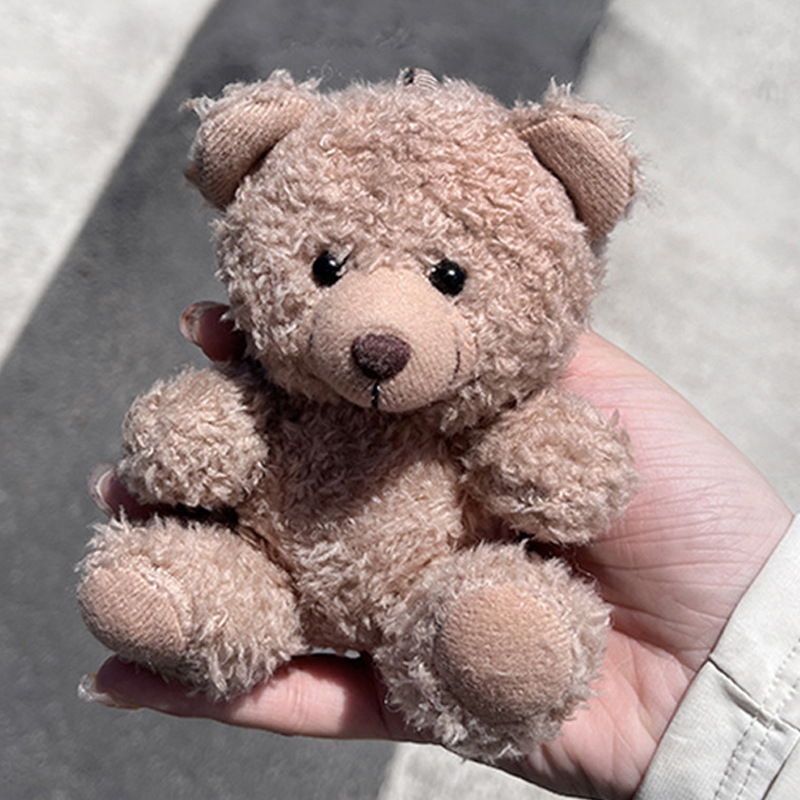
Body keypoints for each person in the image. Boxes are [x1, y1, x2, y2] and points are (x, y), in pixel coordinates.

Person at [82, 302, 798, 800]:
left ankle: (491, 646)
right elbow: (199, 433)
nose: (378, 335)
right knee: (198, 572)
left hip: (438, 594)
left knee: (493, 616)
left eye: (448, 279)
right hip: (263, 562)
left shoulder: (487, 403)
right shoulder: (278, 386)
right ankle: (186, 601)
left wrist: (552, 463)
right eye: (328, 268)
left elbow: (570, 478)